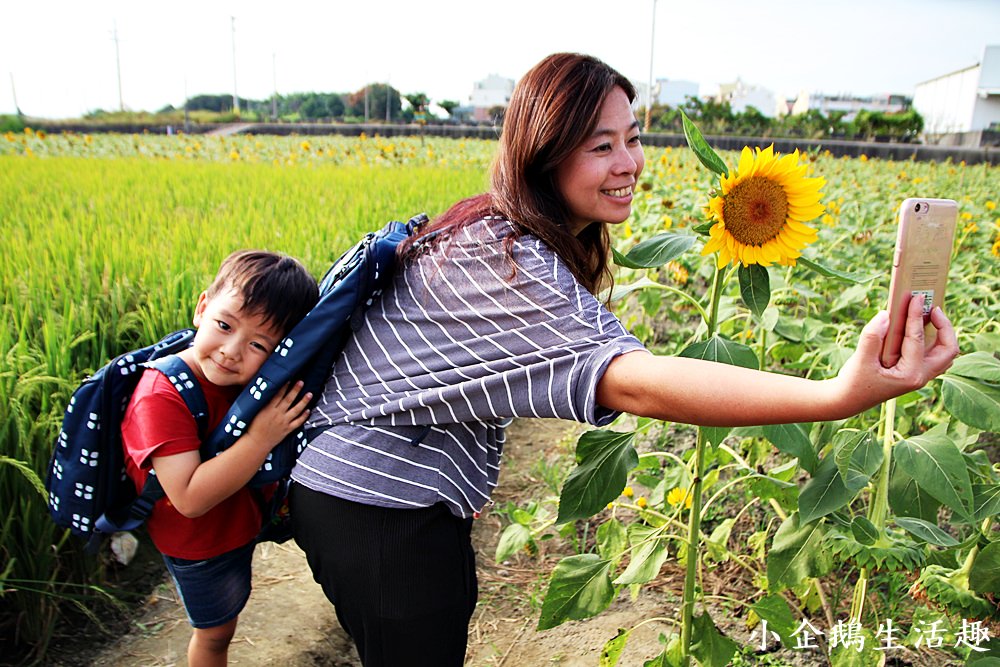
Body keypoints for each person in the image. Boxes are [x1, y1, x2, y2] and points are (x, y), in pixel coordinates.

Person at [290, 53, 958, 667]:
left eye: (633, 138)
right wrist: (837, 395)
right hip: (376, 505)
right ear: (543, 156)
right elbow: (641, 383)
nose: (629, 163)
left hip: (392, 499)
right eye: (599, 146)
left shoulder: (500, 235)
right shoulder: (509, 265)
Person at [122, 250, 318, 667]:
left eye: (258, 344)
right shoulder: (161, 396)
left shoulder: (242, 379)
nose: (231, 351)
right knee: (214, 635)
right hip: (199, 544)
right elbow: (189, 498)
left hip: (233, 526)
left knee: (226, 619)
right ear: (202, 307)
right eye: (224, 325)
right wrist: (262, 438)